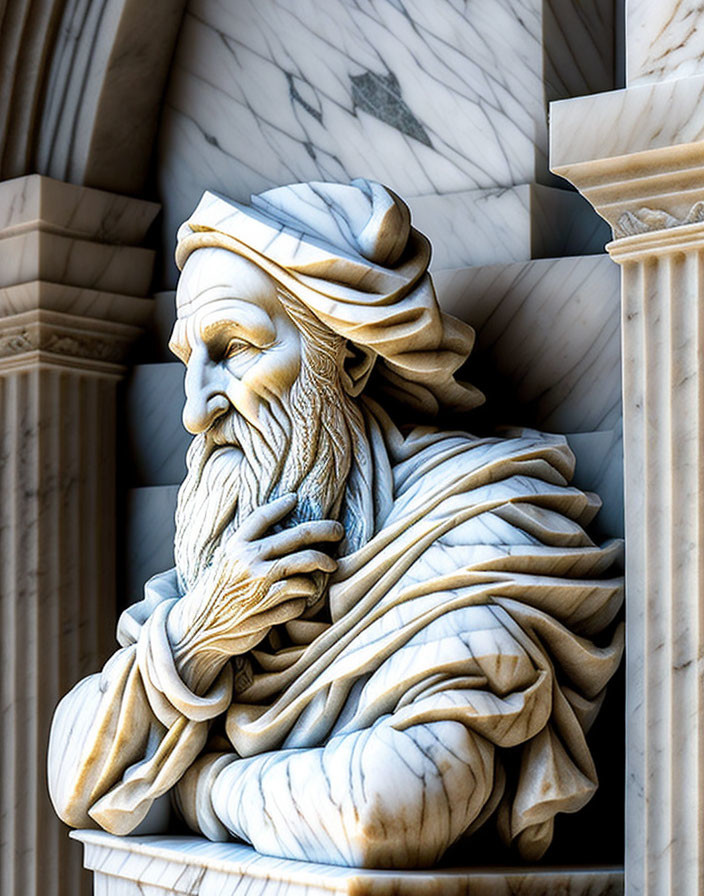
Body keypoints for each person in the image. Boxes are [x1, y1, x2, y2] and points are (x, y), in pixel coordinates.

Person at [48, 179, 623, 868]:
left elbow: (388, 811)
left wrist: (201, 786)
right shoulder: (237, 556)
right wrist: (199, 634)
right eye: (186, 363)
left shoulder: (482, 522)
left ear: (348, 359)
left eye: (232, 349)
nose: (195, 414)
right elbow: (72, 779)